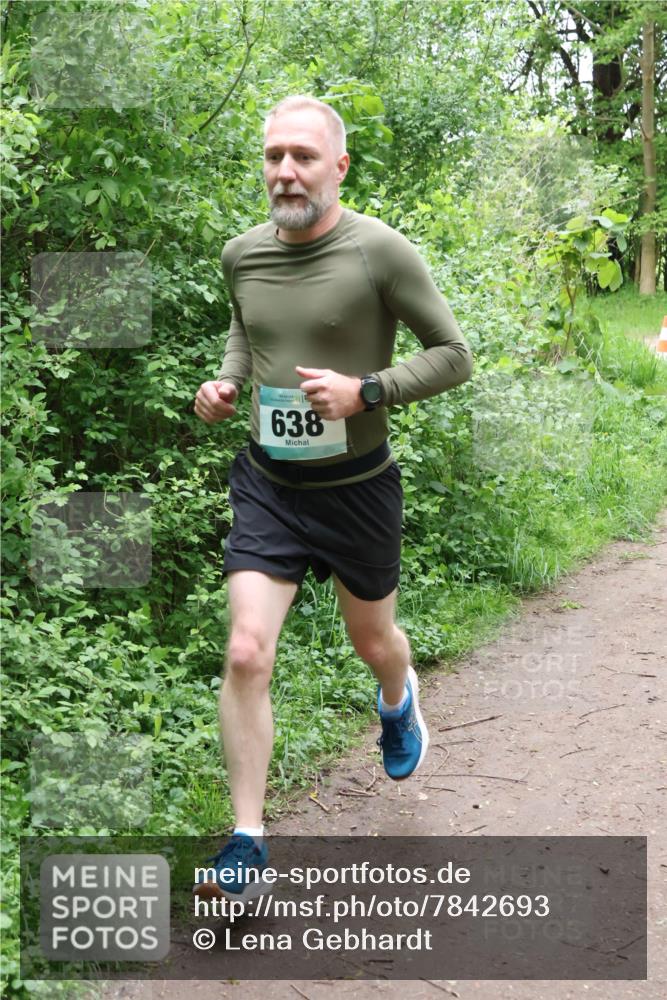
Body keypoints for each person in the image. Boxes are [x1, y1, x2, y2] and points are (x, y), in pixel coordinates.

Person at [193, 95, 473, 900]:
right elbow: (249, 329)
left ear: (338, 166)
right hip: (269, 485)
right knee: (246, 650)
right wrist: (227, 384)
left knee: (373, 640)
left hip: (356, 492)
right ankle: (246, 844)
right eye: (275, 154)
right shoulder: (240, 253)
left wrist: (368, 390)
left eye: (304, 156)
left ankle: (397, 698)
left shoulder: (379, 252)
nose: (286, 170)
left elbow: (454, 356)